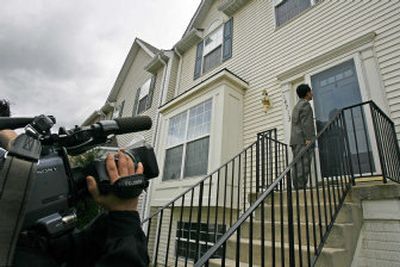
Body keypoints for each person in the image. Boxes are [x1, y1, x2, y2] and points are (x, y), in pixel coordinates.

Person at [289, 84, 316, 189]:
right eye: (311, 91)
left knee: (297, 165)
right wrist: (309, 138)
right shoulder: (305, 105)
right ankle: (301, 188)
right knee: (303, 164)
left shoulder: (296, 106)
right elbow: (306, 123)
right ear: (307, 93)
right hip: (302, 140)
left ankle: (297, 187)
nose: (312, 93)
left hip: (295, 140)